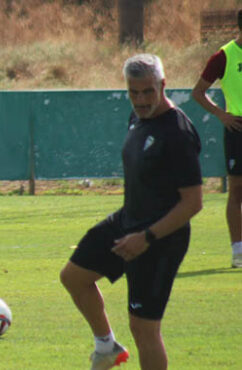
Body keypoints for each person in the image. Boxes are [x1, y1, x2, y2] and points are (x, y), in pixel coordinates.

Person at [60, 54, 203, 370]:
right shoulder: (137, 117)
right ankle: (106, 347)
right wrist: (133, 229)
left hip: (161, 239)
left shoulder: (177, 132)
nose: (140, 100)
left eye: (148, 92)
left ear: (162, 85)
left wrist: (147, 237)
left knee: (144, 328)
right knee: (74, 277)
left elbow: (193, 202)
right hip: (127, 221)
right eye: (133, 92)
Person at [192, 9, 242, 268]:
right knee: (236, 192)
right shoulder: (224, 56)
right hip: (238, 129)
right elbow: (198, 92)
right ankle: (238, 252)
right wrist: (221, 114)